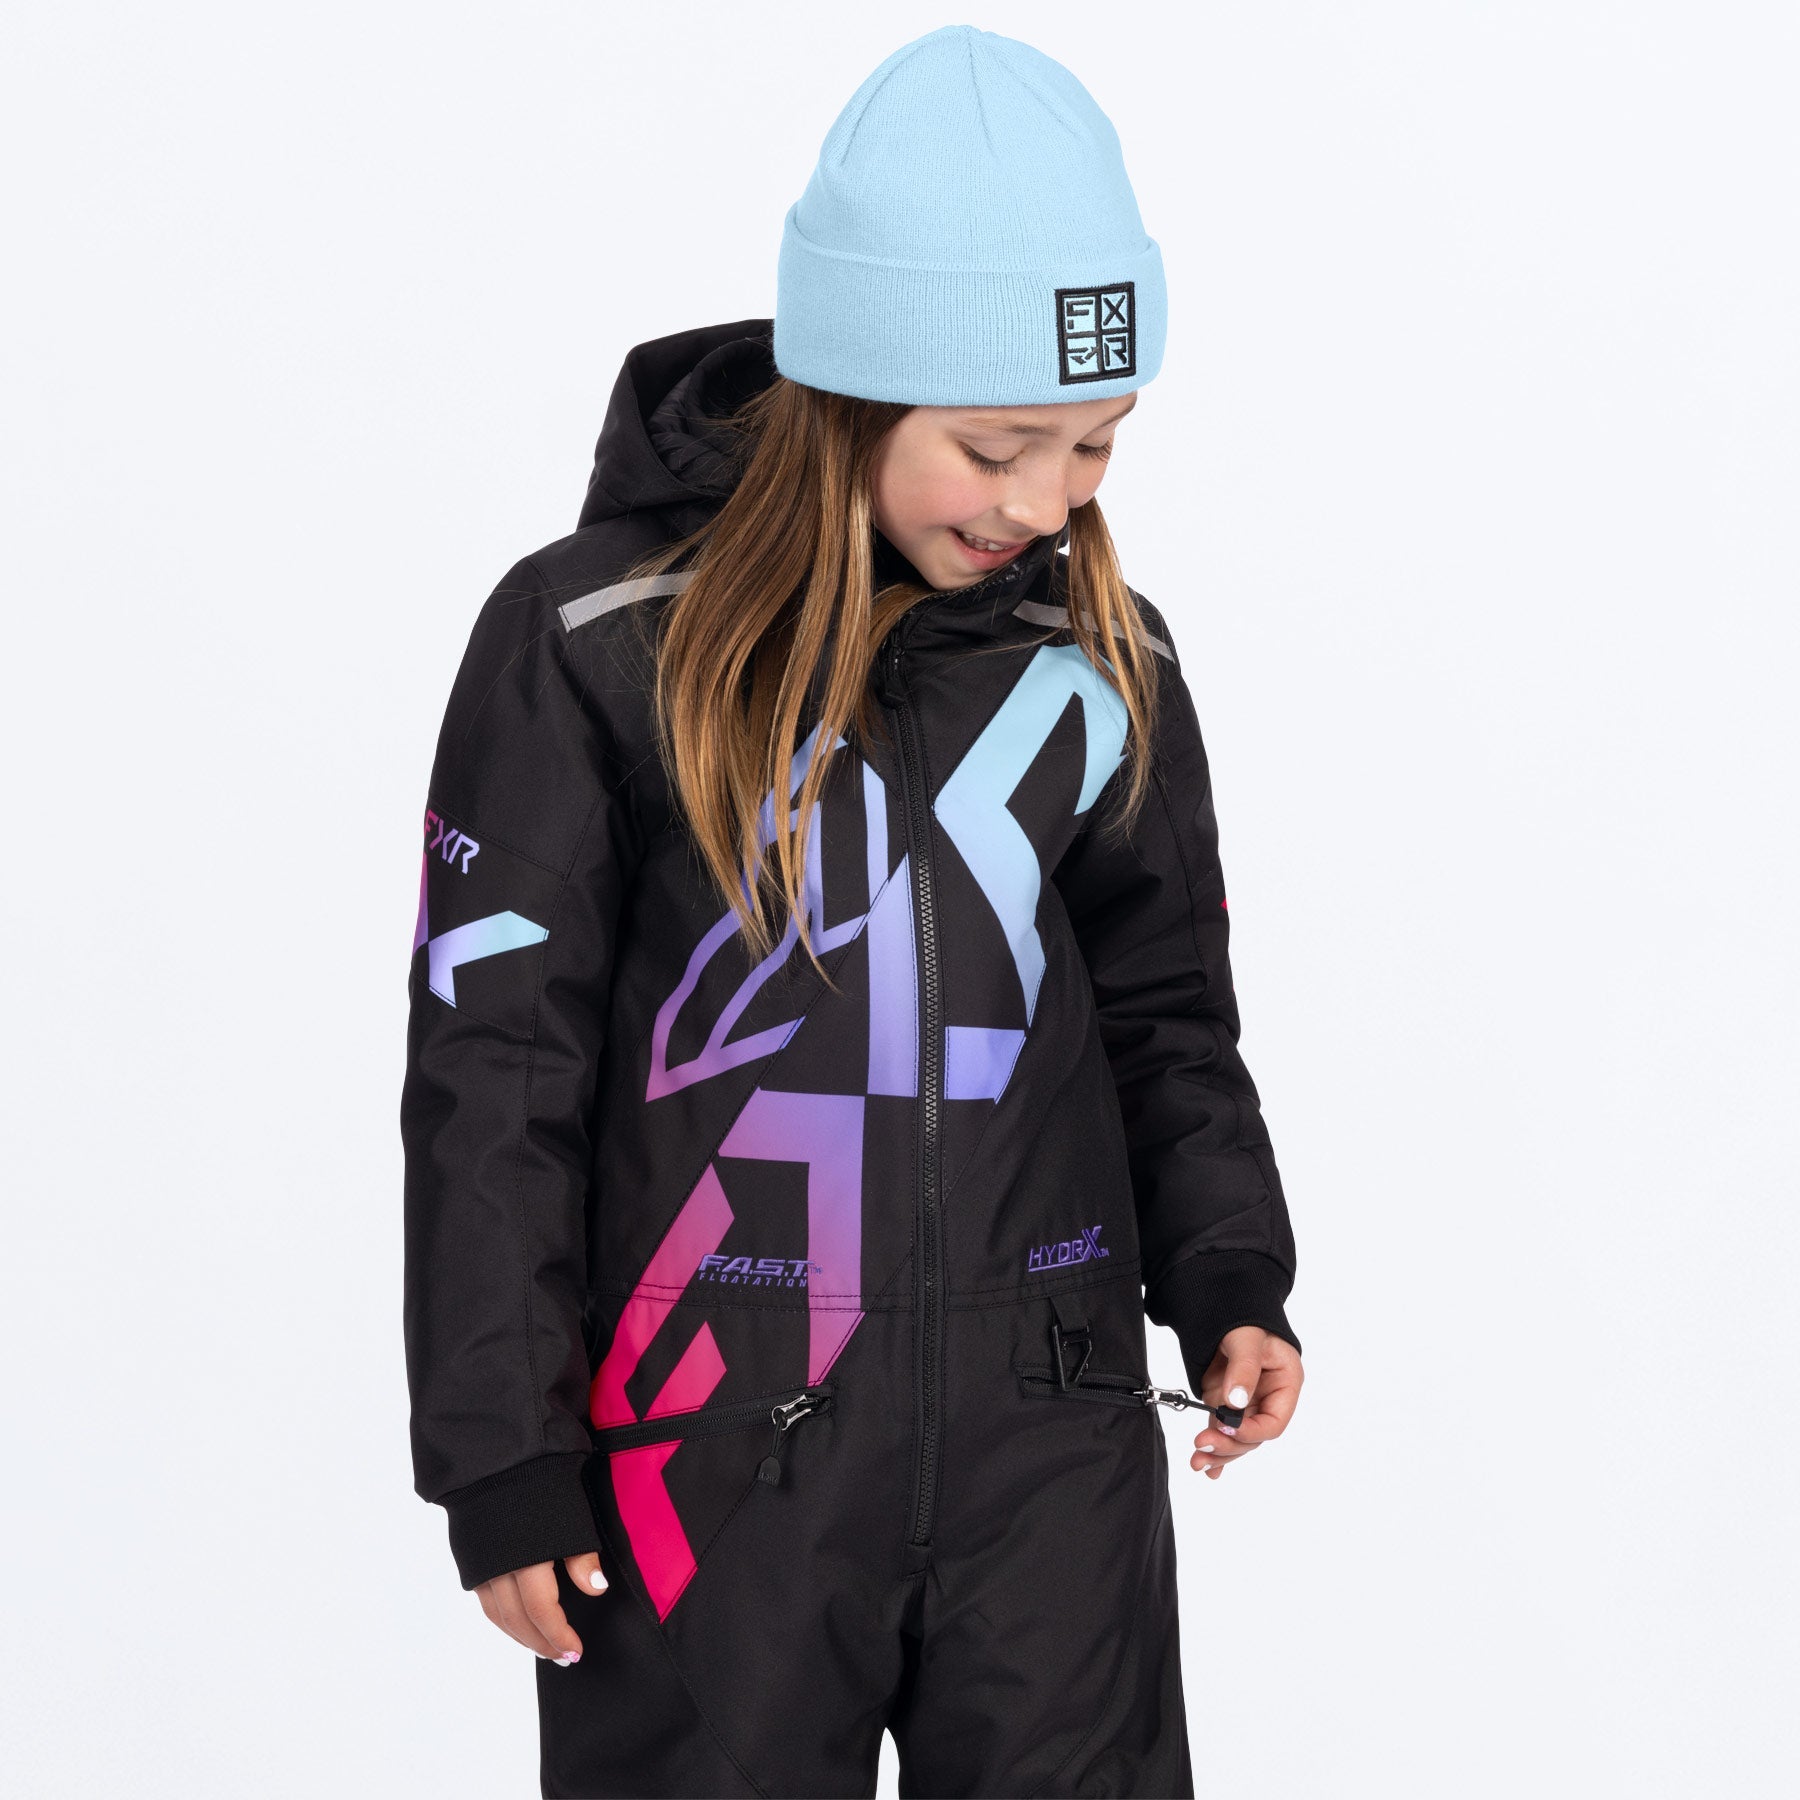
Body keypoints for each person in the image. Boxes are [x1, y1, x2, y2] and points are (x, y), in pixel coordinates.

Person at [401, 25, 1303, 1798]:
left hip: (1050, 1443)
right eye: (997, 445)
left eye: (1096, 446)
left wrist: (1228, 1274)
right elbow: (494, 1073)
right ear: (852, 392)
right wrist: (499, 1456)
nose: (1046, 502)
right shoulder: (596, 646)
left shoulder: (1098, 660)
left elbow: (1166, 1012)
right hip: (704, 1449)